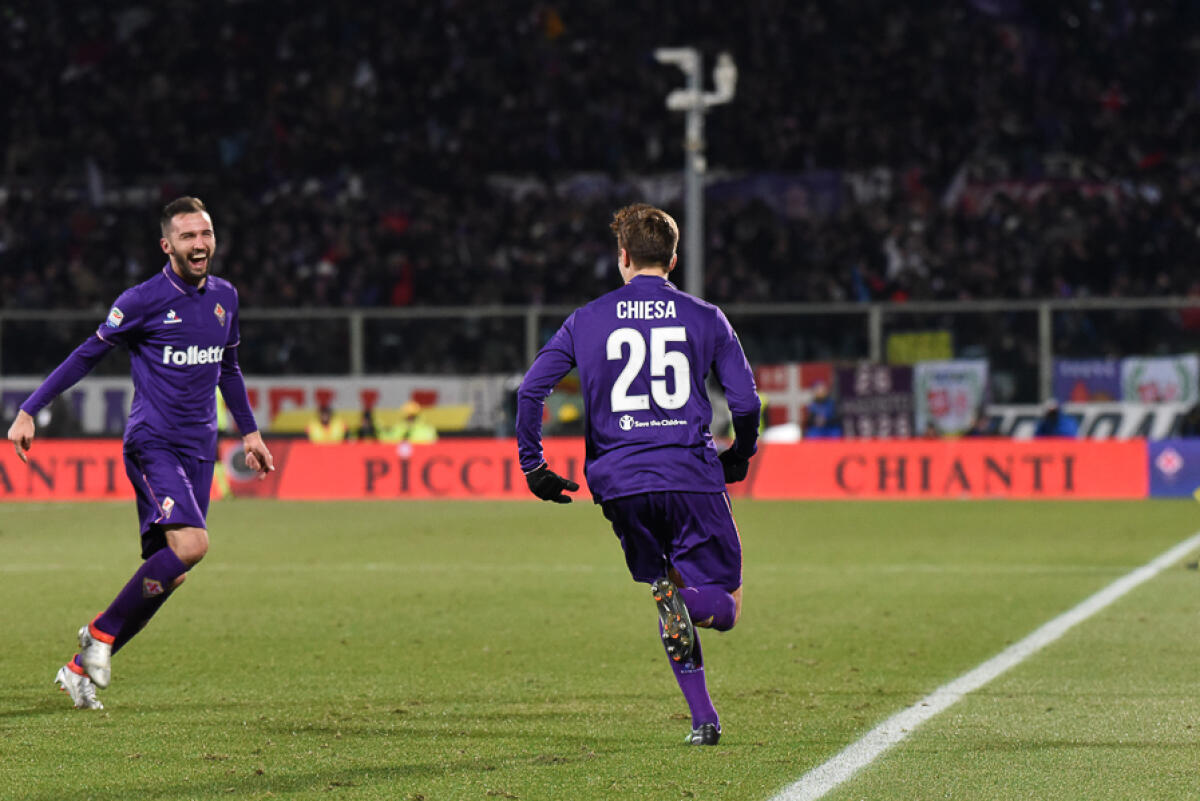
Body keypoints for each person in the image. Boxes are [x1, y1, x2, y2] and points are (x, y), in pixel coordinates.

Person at [6, 196, 273, 710]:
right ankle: (100, 633)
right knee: (192, 546)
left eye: (206, 233)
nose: (200, 244)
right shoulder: (142, 300)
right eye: (188, 236)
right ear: (166, 245)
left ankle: (82, 667)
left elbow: (229, 369)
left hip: (200, 449)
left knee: (170, 569)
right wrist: (29, 409)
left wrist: (250, 432)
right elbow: (87, 353)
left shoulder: (225, 297)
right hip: (153, 442)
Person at [515, 203, 761, 746]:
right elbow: (744, 399)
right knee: (724, 605)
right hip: (689, 473)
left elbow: (532, 389)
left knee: (665, 588)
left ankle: (703, 720)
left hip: (620, 483)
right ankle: (689, 619)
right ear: (673, 259)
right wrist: (741, 453)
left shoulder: (586, 319)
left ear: (622, 257)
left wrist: (534, 466)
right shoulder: (705, 316)